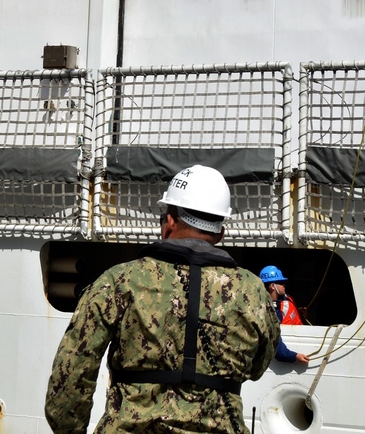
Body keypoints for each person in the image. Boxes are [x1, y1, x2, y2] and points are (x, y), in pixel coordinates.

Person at [44, 165, 280, 434]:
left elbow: (71, 372)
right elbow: (258, 367)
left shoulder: (118, 281)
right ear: (220, 234)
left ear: (169, 223)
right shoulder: (253, 291)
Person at [259, 265, 310, 365]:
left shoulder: (285, 298)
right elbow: (275, 343)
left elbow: (289, 313)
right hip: (297, 351)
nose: (284, 285)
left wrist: (299, 312)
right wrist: (294, 356)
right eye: (281, 283)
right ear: (272, 286)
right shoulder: (271, 311)